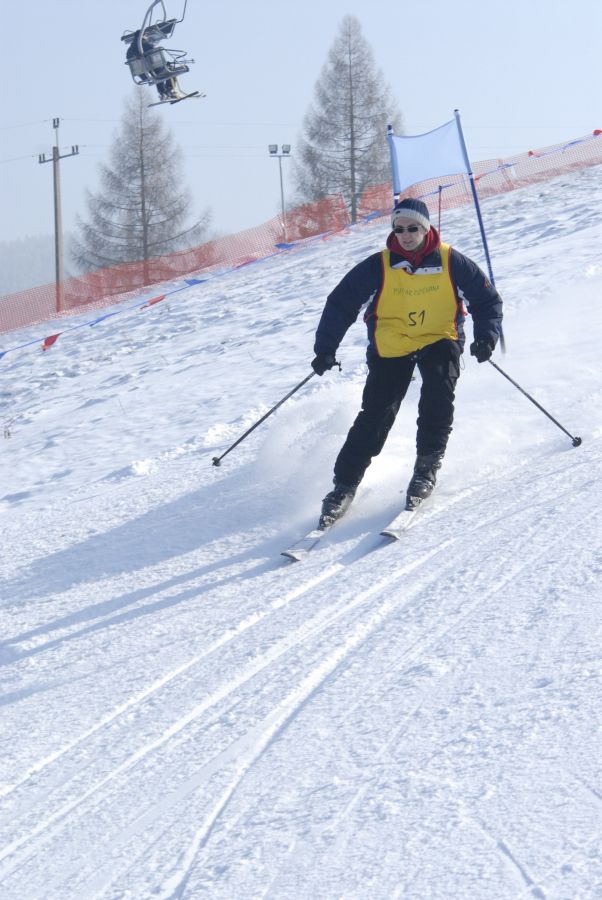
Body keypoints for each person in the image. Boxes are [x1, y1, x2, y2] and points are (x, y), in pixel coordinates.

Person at [311, 197, 503, 528]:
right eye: (398, 229)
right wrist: (325, 348)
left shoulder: (451, 261)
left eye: (413, 228)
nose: (405, 235)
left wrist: (486, 337)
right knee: (376, 414)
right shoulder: (379, 264)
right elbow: (341, 304)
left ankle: (426, 468)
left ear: (426, 228)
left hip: (439, 338)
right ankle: (343, 485)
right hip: (392, 344)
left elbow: (487, 300)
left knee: (437, 397)